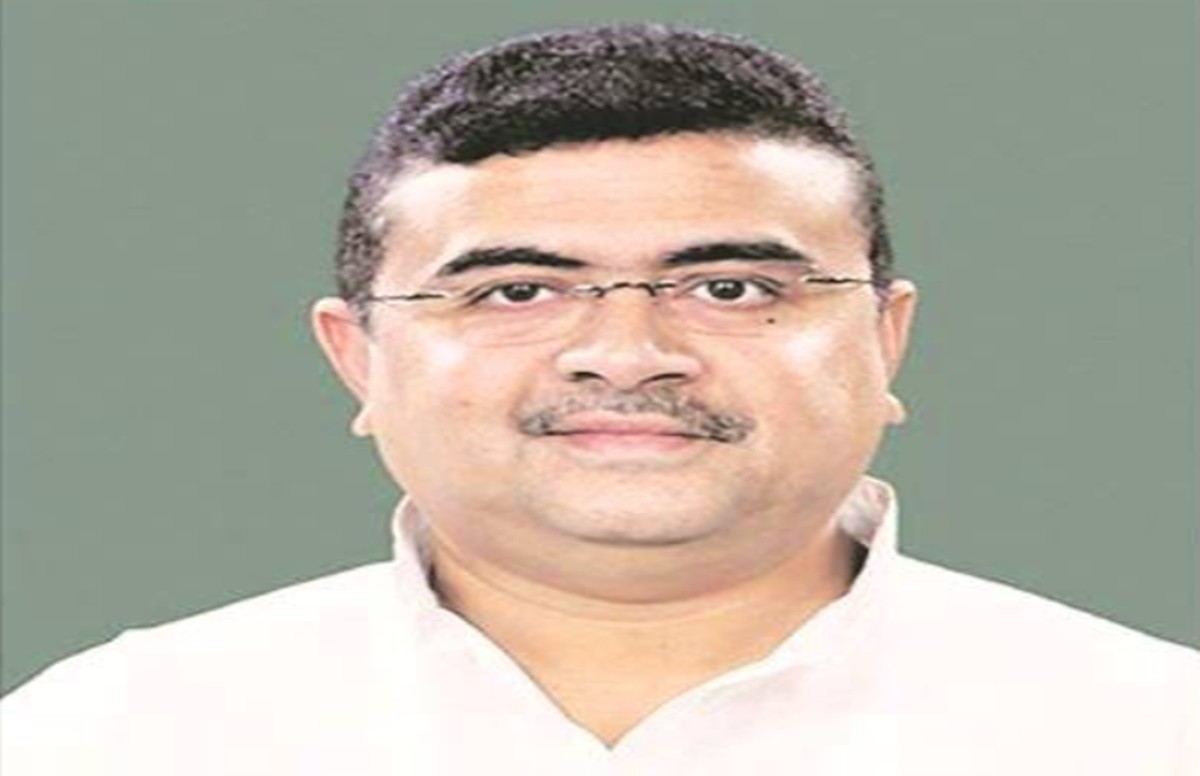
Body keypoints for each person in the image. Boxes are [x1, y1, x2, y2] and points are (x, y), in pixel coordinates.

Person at [1, 23, 1196, 776]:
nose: (625, 354)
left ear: (887, 337)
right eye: (518, 289)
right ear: (357, 356)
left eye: (729, 286)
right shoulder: (115, 735)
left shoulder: (1146, 730)